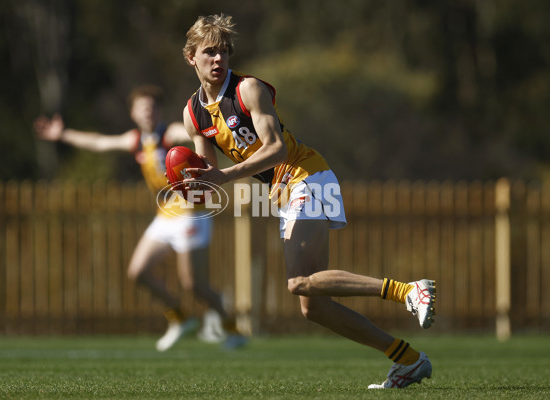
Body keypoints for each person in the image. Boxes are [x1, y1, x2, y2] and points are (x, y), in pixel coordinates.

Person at [180, 14, 436, 389]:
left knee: (298, 281)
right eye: (209, 53)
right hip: (284, 192)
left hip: (307, 174)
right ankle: (408, 360)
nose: (218, 60)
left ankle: (409, 291)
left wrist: (224, 177)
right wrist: (190, 184)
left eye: (223, 52)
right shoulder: (193, 114)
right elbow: (209, 174)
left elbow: (276, 148)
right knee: (313, 304)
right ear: (191, 58)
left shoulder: (248, 90)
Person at [33, 84, 246, 351]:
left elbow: (192, 132)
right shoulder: (136, 140)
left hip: (192, 215)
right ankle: (180, 318)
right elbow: (99, 142)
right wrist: (62, 134)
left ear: (159, 111)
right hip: (165, 216)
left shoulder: (169, 134)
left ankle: (231, 327)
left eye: (152, 106)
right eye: (142, 107)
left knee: (194, 284)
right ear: (133, 113)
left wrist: (212, 130)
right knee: (138, 272)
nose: (148, 111)